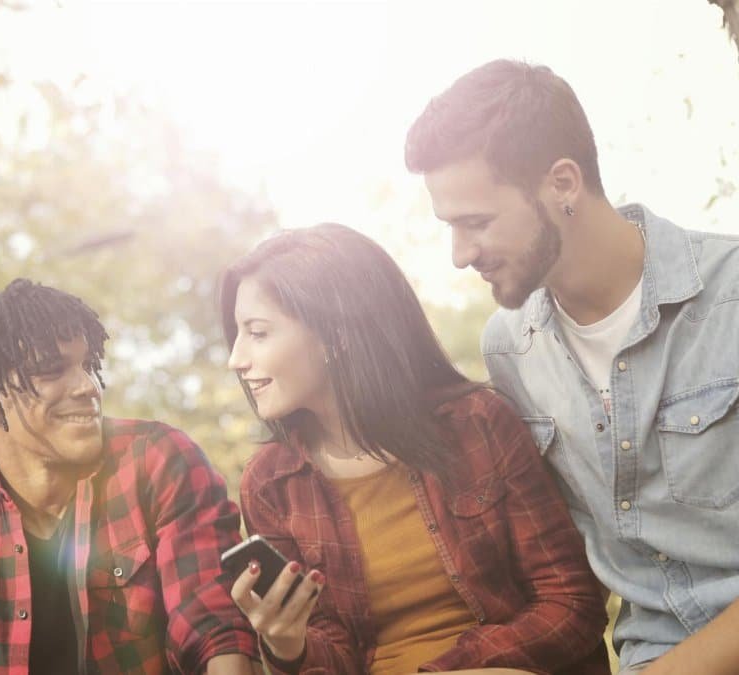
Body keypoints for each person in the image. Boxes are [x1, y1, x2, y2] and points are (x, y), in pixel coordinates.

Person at [406, 58, 739, 675]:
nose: (459, 255)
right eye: (449, 228)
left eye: (476, 222)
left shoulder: (730, 297)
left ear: (562, 183)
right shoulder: (510, 349)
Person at [220, 223, 608, 675]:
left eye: (259, 333)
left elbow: (572, 604)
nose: (236, 359)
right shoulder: (271, 482)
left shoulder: (477, 425)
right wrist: (290, 647)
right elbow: (334, 657)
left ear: (337, 333)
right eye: (238, 334)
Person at [0, 278, 260, 674]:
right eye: (52, 371)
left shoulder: (157, 460)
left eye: (86, 365)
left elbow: (215, 627)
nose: (88, 386)